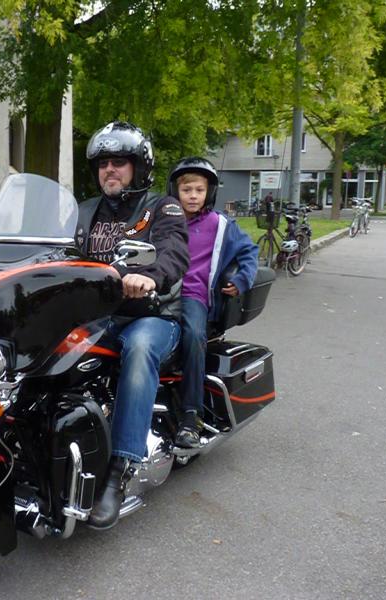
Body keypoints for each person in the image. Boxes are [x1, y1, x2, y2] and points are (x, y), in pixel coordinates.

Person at [75, 122, 189, 529]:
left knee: (139, 349)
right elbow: (54, 251)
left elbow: (174, 253)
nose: (109, 169)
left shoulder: (163, 208)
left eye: (119, 162)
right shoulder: (84, 211)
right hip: (98, 314)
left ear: (138, 168)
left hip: (151, 315)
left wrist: (149, 277)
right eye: (103, 163)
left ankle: (120, 469)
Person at [167, 157, 259, 448]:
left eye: (199, 190)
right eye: (186, 190)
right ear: (175, 191)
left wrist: (242, 280)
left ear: (210, 193)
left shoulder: (220, 225)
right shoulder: (163, 221)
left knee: (194, 335)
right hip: (159, 291)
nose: (193, 196)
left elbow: (249, 252)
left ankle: (191, 414)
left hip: (192, 296)